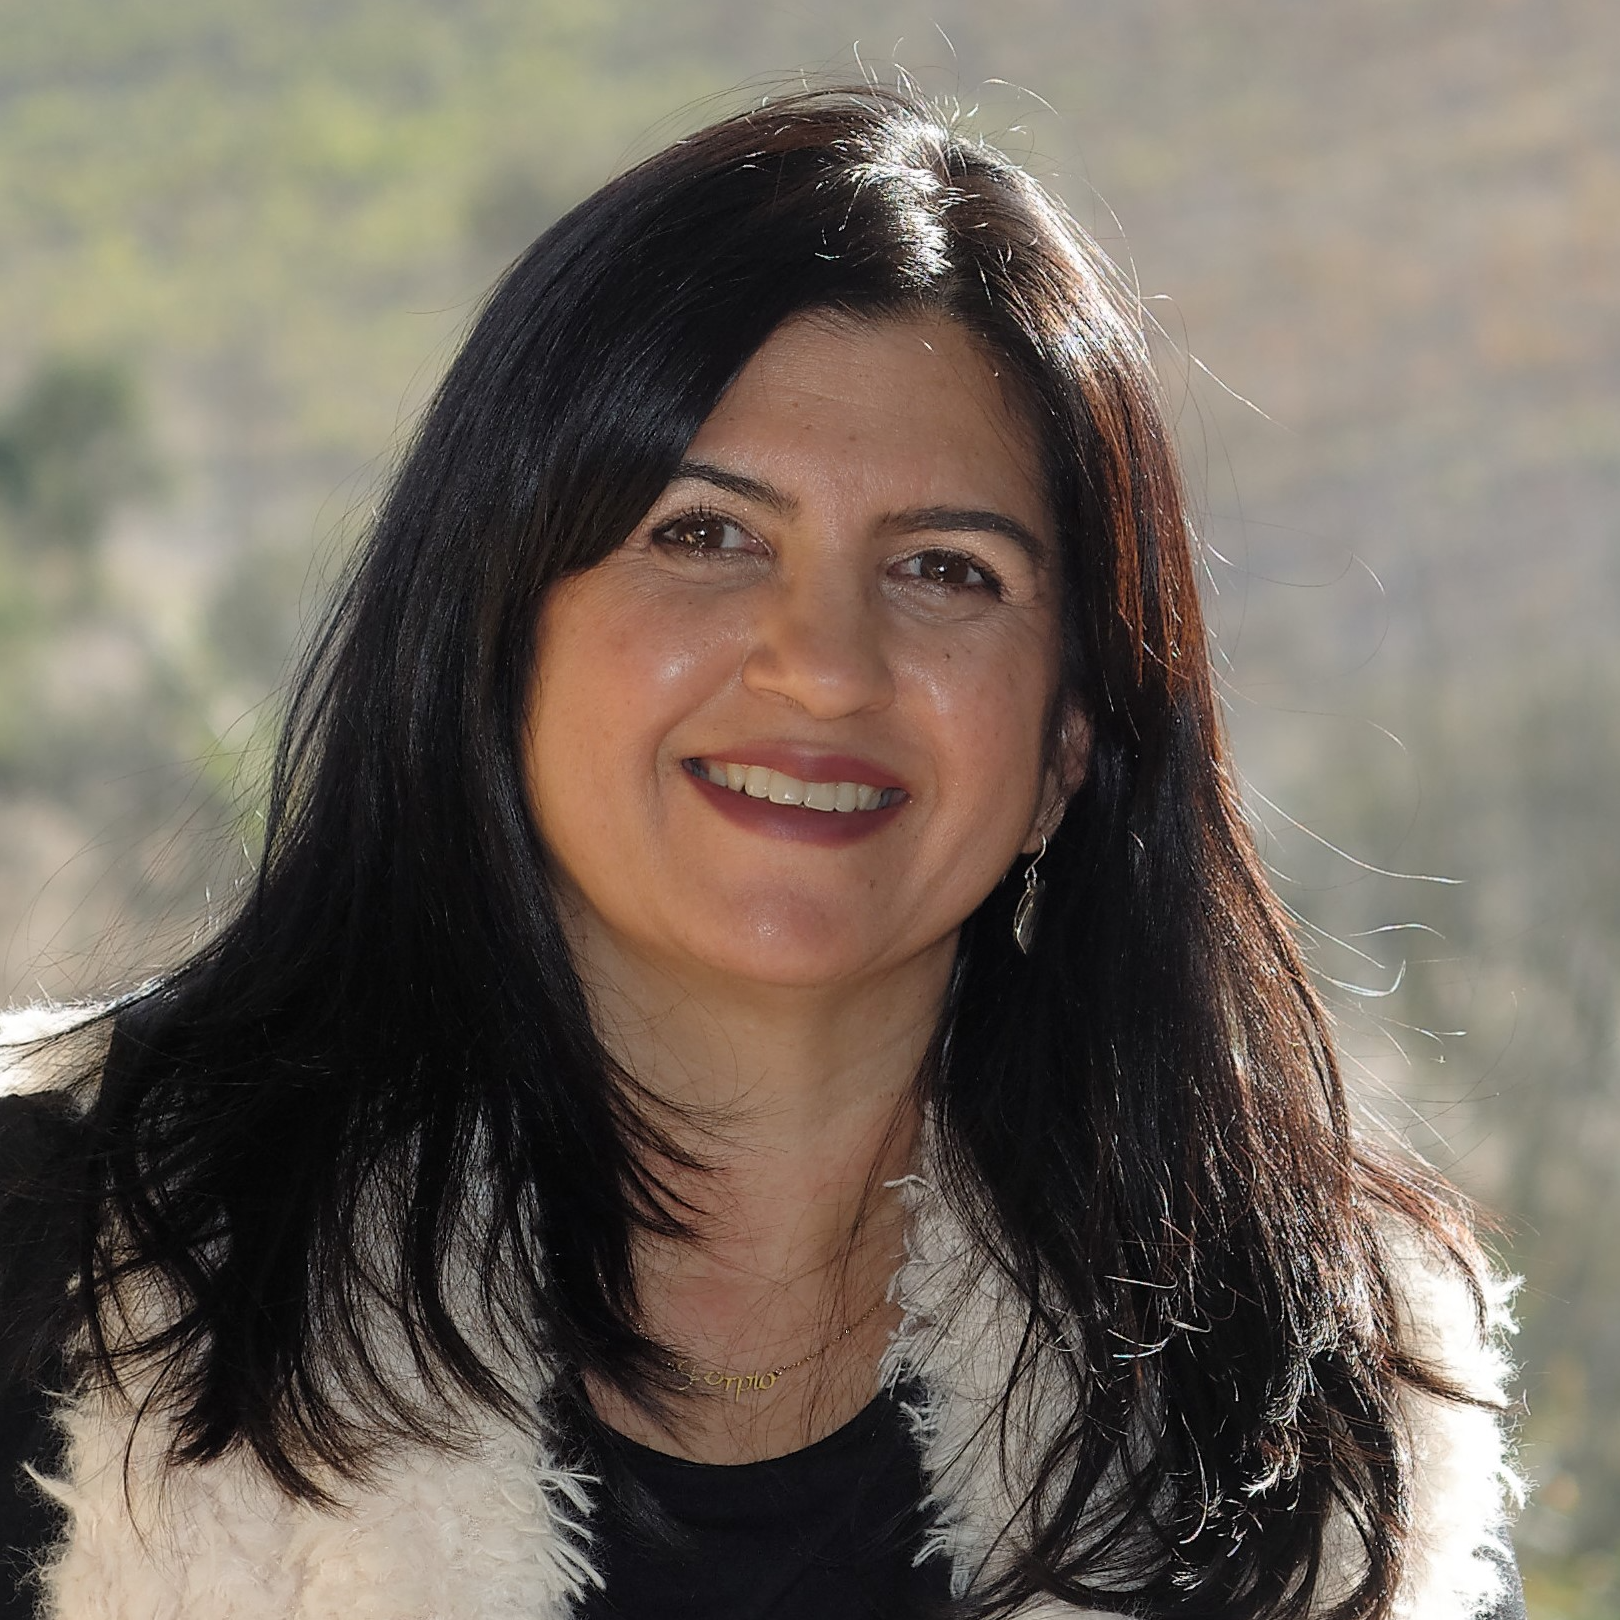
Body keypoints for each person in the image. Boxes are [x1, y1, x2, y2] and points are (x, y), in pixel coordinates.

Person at [0, 87, 1523, 1619]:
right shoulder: (72, 1248)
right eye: (706, 535)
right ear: (495, 633)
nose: (825, 668)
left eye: (946, 569)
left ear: (1072, 735)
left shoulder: (1323, 1397)